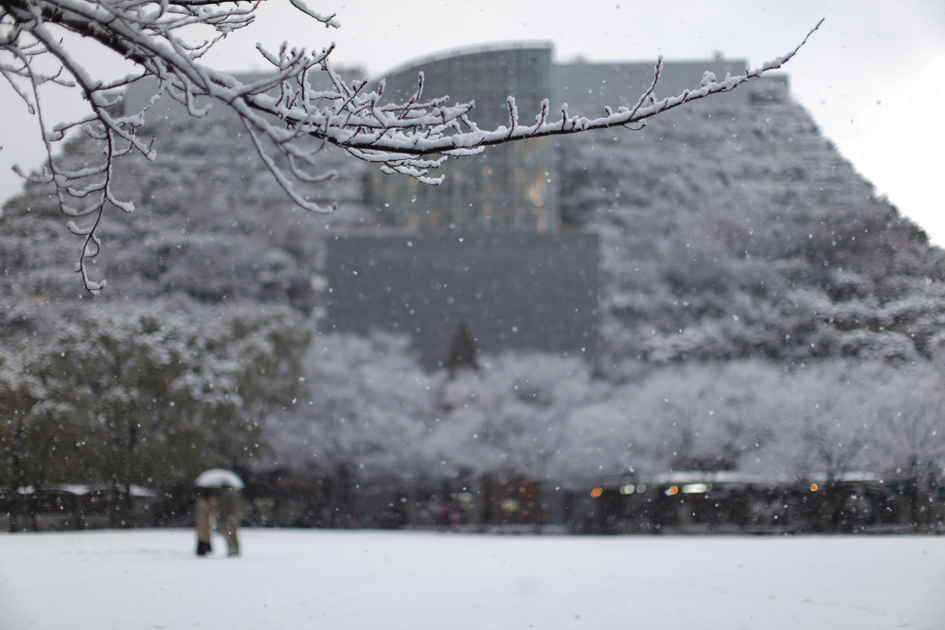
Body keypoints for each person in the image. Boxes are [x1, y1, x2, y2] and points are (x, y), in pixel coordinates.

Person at [218, 486, 242, 557]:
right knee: (234, 534)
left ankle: (231, 549)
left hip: (229, 516)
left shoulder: (226, 495)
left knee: (228, 534)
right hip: (236, 516)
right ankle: (236, 549)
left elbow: (225, 507)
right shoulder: (236, 494)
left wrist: (221, 514)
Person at [195, 489, 214, 556]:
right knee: (203, 536)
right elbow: (207, 510)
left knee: (204, 536)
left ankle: (204, 549)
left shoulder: (202, 501)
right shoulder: (202, 502)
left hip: (204, 521)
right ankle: (203, 549)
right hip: (203, 521)